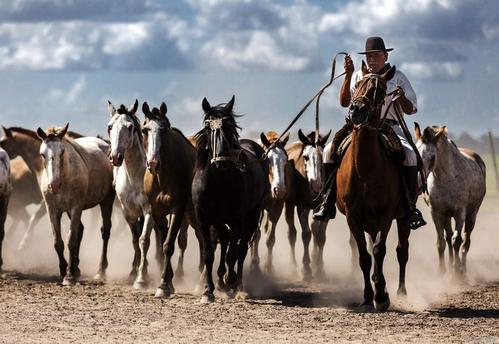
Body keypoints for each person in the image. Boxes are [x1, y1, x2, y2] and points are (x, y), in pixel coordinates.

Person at [313, 36, 426, 230]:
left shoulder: (398, 77)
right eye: (369, 56)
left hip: (391, 126)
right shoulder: (359, 75)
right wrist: (348, 76)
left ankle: (409, 207)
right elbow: (344, 102)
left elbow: (412, 108)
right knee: (328, 150)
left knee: (409, 155)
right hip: (358, 126)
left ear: (385, 55)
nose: (372, 60)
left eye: (376, 56)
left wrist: (401, 99)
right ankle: (327, 202)